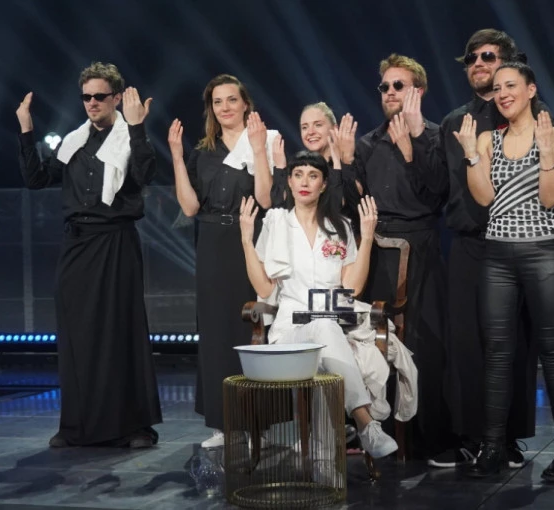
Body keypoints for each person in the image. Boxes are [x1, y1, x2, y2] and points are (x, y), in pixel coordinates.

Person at [437, 28, 554, 469]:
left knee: (553, 352)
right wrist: (471, 156)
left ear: (530, 91)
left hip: (545, 254)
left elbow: (550, 196)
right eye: (499, 88)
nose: (503, 93)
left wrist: (545, 154)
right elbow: (484, 197)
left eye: (511, 86)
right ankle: (492, 446)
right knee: (497, 353)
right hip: (497, 256)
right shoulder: (487, 140)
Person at [16, 62, 162, 448]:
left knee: (120, 332)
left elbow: (145, 174)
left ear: (116, 97)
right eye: (86, 97)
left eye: (100, 96)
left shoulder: (129, 137)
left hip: (115, 243)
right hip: (77, 245)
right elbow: (35, 180)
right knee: (77, 336)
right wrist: (26, 128)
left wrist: (137, 127)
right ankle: (76, 426)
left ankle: (134, 426)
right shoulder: (73, 141)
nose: (92, 103)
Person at [239, 150, 398, 459]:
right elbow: (264, 288)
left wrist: (366, 238)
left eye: (313, 176)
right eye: (298, 175)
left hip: (331, 328)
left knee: (325, 333)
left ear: (324, 184)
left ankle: (328, 449)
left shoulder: (339, 227)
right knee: (324, 330)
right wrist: (246, 240)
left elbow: (352, 288)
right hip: (290, 331)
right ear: (289, 181)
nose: (304, 182)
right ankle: (366, 423)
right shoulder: (276, 223)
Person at [341, 54, 451, 459]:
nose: (389, 92)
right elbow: (352, 204)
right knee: (373, 342)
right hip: (376, 251)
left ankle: (430, 439)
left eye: (398, 85)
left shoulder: (436, 137)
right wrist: (346, 162)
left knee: (425, 343)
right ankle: (377, 432)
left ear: (418, 91)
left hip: (420, 250)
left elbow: (438, 194)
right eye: (384, 86)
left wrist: (411, 150)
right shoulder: (368, 143)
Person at [169, 74, 274, 448]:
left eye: (232, 99)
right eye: (218, 102)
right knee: (216, 333)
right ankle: (223, 423)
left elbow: (266, 199)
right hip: (213, 244)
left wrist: (258, 151)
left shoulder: (265, 141)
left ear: (245, 103)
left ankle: (258, 422)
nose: (225, 107)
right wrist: (177, 157)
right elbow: (189, 207)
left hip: (250, 240)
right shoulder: (203, 153)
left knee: (252, 329)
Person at [270, 103, 362, 230]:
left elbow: (355, 207)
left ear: (334, 128)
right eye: (304, 127)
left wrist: (345, 161)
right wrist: (280, 169)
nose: (310, 132)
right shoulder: (298, 167)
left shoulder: (351, 162)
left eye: (318, 125)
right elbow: (280, 211)